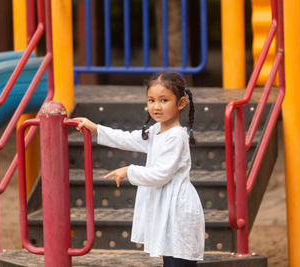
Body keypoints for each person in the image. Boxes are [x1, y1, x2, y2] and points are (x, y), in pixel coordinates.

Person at [75, 71, 205, 266]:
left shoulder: (176, 136)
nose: (156, 106)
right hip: (166, 207)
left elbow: (162, 174)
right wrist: (96, 129)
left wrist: (129, 171)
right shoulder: (156, 131)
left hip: (177, 208)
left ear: (181, 103)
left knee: (178, 259)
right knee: (170, 258)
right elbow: (127, 138)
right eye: (151, 100)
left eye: (164, 100)